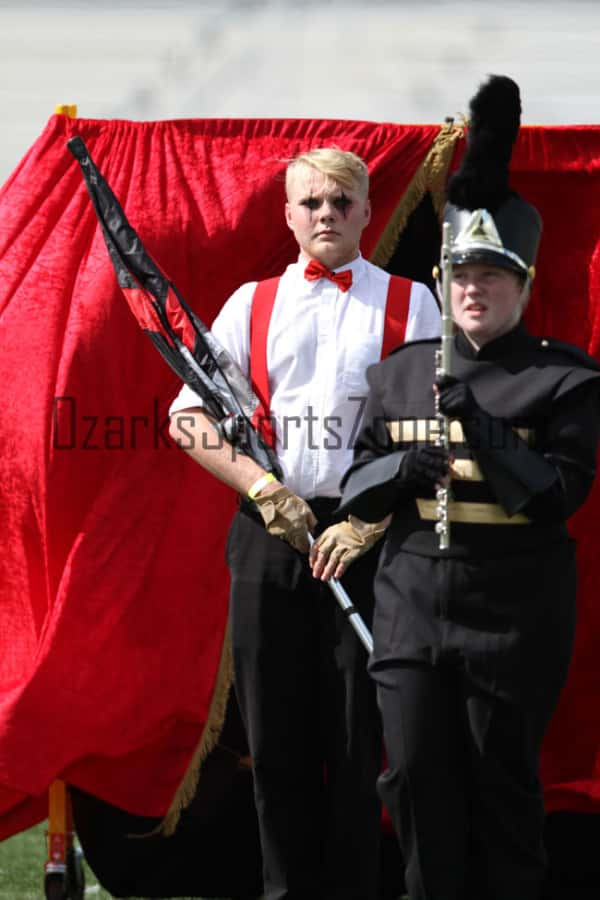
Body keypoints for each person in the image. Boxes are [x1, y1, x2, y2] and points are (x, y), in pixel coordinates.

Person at [314, 77, 600, 900]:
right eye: (460, 273)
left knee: (500, 791)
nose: (473, 288)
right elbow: (355, 481)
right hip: (409, 614)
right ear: (442, 280)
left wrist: (479, 425)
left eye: (492, 275)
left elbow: (554, 498)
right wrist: (399, 473)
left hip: (512, 618)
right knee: (411, 785)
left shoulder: (564, 380)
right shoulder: (400, 374)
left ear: (524, 281)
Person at [168, 146, 441, 900]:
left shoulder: (413, 303)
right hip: (269, 538)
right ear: (288, 214)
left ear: (366, 211)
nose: (327, 215)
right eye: (312, 203)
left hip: (370, 541)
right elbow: (185, 418)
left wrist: (372, 517)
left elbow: (435, 421)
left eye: (342, 202)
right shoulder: (247, 305)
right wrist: (261, 487)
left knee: (359, 742)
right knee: (275, 740)